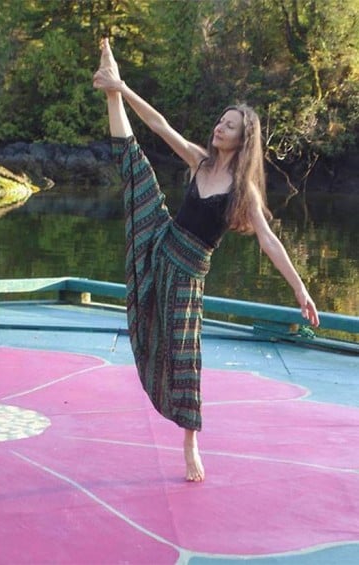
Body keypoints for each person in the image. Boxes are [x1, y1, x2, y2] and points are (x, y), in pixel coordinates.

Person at [92, 38, 320, 482]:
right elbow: (159, 126)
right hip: (162, 241)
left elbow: (270, 241)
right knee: (135, 168)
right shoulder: (200, 162)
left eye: (229, 125)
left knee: (183, 353)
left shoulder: (243, 191)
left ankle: (190, 440)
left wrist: (301, 290)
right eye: (220, 121)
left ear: (243, 138)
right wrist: (122, 87)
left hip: (188, 275)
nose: (220, 128)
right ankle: (110, 87)